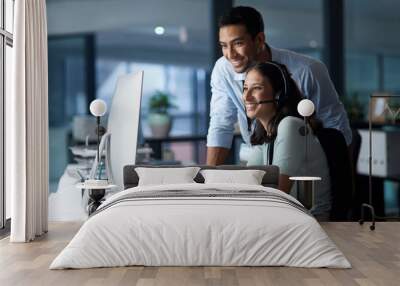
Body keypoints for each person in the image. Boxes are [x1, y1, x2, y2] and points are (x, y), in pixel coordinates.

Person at [206, 6, 351, 166]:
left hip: (304, 163)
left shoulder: (307, 71)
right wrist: (205, 184)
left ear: (259, 40)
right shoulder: (223, 69)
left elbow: (337, 130)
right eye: (224, 46)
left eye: (238, 43)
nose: (230, 54)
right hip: (257, 155)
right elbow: (221, 124)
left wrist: (343, 185)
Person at [243, 61, 331, 219]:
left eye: (256, 88)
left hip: (310, 221)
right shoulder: (266, 133)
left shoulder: (291, 125)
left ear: (278, 94)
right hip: (287, 217)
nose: (246, 96)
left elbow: (279, 193)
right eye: (245, 88)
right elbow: (248, 183)